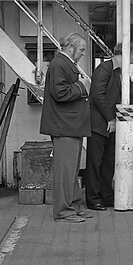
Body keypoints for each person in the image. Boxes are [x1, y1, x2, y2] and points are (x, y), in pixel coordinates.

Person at [40, 32, 93, 223]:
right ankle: (63, 211)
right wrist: (82, 86)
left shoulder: (64, 64)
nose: (82, 54)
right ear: (70, 47)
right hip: (65, 126)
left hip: (70, 126)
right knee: (65, 172)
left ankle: (75, 206)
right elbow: (59, 93)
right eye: (81, 50)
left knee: (71, 170)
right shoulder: (59, 64)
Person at [85, 43, 124, 211]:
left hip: (110, 124)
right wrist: (110, 118)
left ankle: (106, 195)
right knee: (95, 162)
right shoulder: (105, 69)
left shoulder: (117, 71)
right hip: (100, 124)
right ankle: (93, 199)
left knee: (108, 162)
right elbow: (97, 95)